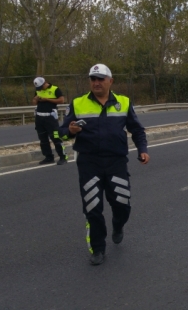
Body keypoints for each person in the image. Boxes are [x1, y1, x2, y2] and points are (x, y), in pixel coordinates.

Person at [59, 64, 150, 266]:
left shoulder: (123, 102)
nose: (96, 83)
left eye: (101, 79)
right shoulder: (78, 103)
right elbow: (61, 130)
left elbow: (137, 129)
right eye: (93, 79)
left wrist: (142, 148)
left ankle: (118, 225)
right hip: (89, 163)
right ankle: (98, 248)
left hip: (116, 161)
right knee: (93, 207)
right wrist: (71, 131)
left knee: (122, 204)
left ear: (111, 81)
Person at [32, 77, 68, 165]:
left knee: (56, 137)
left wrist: (47, 99)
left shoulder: (55, 89)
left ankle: (63, 157)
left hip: (51, 118)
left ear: (45, 83)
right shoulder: (38, 90)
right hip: (39, 118)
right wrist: (36, 99)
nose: (40, 89)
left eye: (41, 87)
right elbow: (34, 102)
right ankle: (48, 157)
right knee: (43, 139)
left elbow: (62, 100)